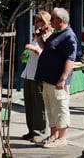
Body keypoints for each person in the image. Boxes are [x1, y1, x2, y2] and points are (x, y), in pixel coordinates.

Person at [34, 7, 77, 149]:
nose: (50, 21)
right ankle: (53, 135)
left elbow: (70, 59)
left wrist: (63, 78)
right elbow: (46, 48)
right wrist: (39, 37)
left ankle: (62, 137)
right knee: (51, 107)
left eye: (52, 18)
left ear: (61, 20)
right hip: (49, 78)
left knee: (60, 107)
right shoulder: (58, 33)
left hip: (57, 80)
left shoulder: (69, 35)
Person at [20, 11, 52, 144]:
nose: (36, 24)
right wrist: (25, 55)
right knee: (29, 104)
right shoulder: (37, 36)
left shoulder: (49, 36)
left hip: (39, 75)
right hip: (29, 72)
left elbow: (47, 55)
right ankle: (32, 130)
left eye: (39, 21)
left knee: (39, 105)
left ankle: (41, 131)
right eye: (35, 21)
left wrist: (34, 49)